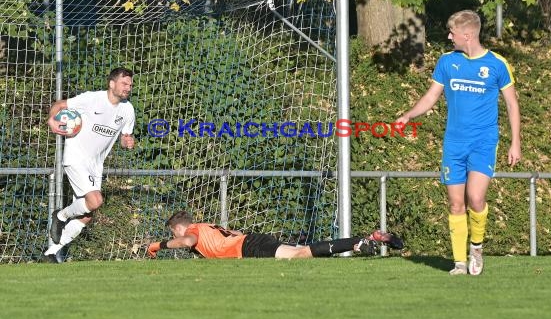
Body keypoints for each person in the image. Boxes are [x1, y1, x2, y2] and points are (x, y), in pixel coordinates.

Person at [395, 10, 521, 275]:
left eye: (452, 33)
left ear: (467, 35)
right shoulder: (446, 62)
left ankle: (476, 246)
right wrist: (408, 115)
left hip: (484, 142)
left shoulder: (497, 64)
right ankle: (459, 263)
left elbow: (511, 104)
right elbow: (431, 97)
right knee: (455, 204)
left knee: (475, 198)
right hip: (454, 143)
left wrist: (515, 142)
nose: (449, 36)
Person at [43, 67, 136, 261]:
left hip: (95, 165)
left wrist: (127, 141)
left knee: (87, 213)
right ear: (112, 84)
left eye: (130, 84)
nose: (128, 87)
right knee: (95, 201)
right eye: (124, 83)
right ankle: (60, 216)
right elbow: (60, 104)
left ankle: (51, 253)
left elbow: (125, 136)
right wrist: (51, 120)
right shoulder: (91, 99)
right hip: (76, 157)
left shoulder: (128, 109)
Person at [147, 210, 404, 259]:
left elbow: (187, 240)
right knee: (305, 250)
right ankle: (364, 241)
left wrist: (157, 245)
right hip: (251, 241)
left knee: (299, 255)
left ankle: (360, 242)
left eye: (173, 233)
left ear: (178, 227)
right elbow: (233, 232)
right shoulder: (207, 225)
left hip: (250, 247)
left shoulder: (192, 232)